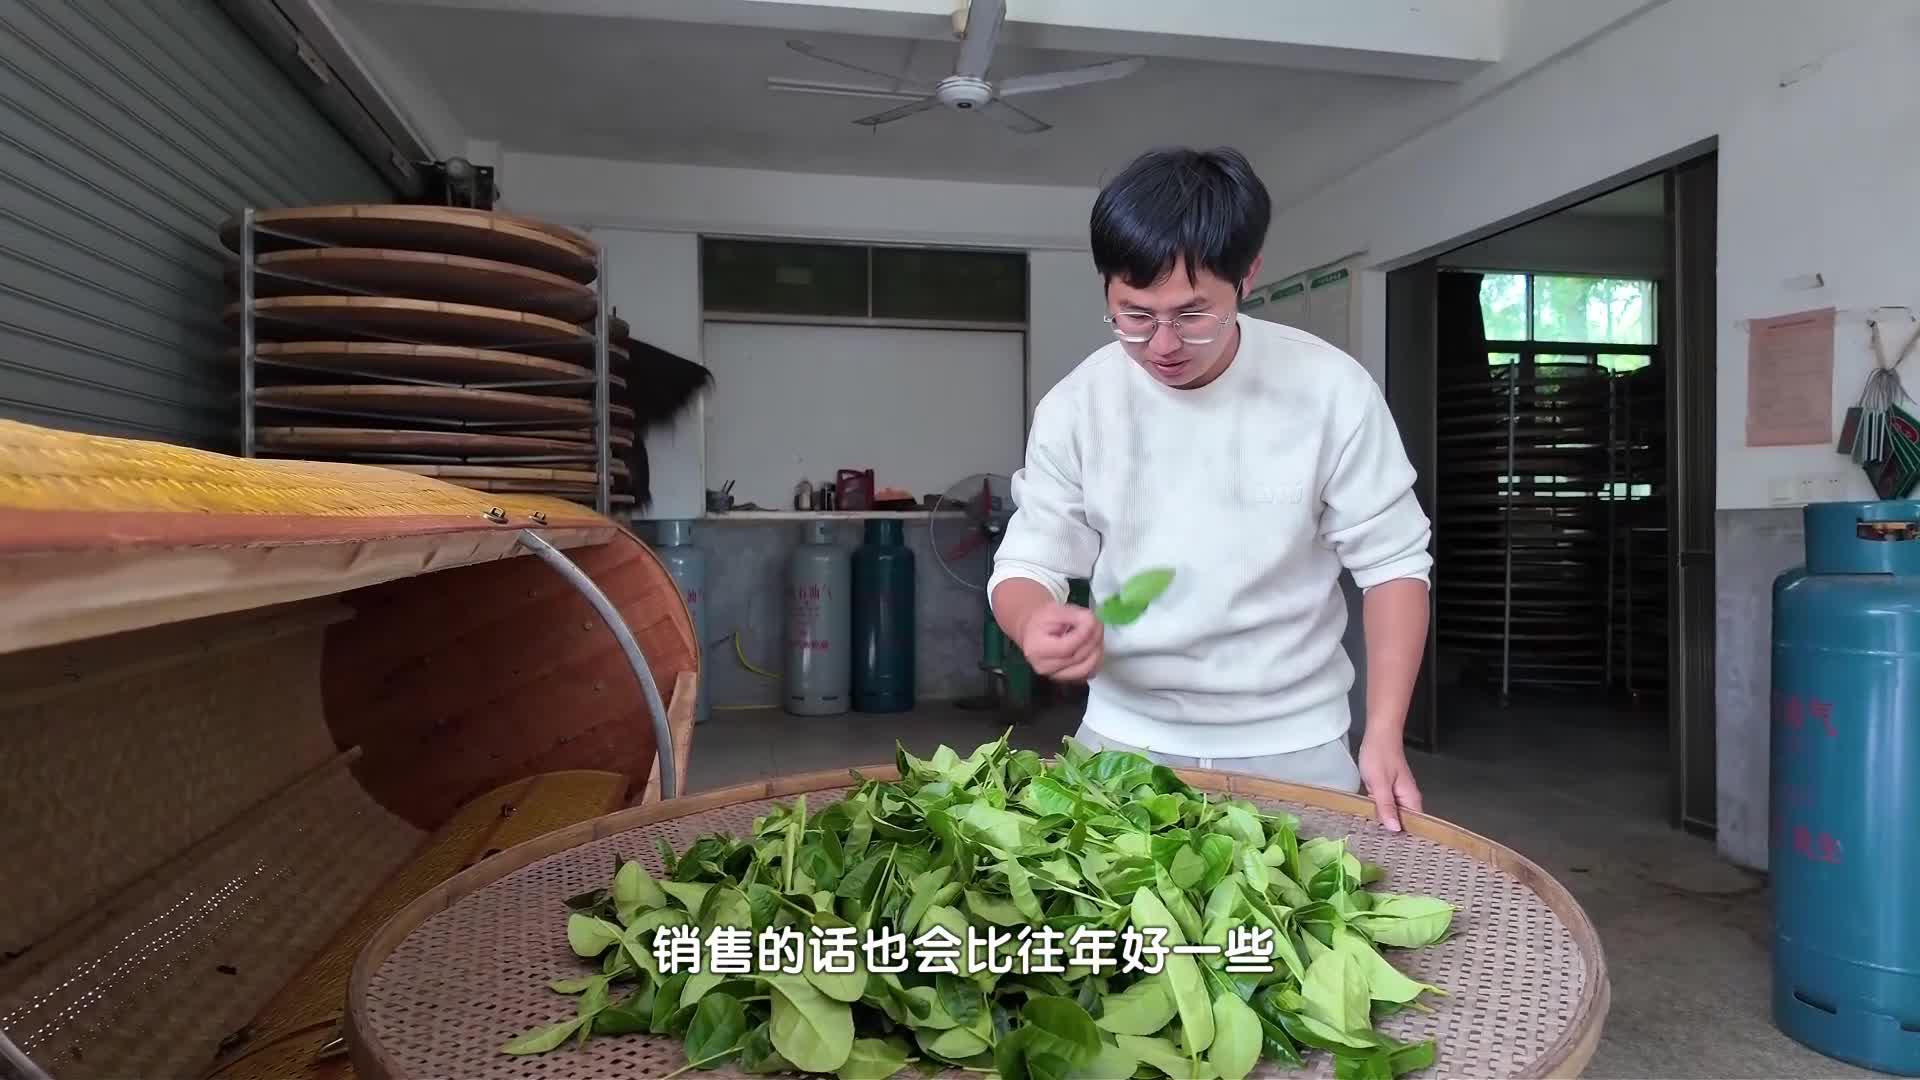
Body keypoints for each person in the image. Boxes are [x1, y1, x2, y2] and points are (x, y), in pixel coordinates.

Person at [988, 146, 1434, 830]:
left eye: (1193, 315)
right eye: (1135, 315)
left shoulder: (1330, 390)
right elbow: (1027, 564)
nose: (1163, 344)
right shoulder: (1078, 406)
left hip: (1296, 745)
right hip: (1123, 742)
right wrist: (1030, 623)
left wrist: (1383, 731)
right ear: (1107, 287)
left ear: (1247, 275)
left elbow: (1394, 566)